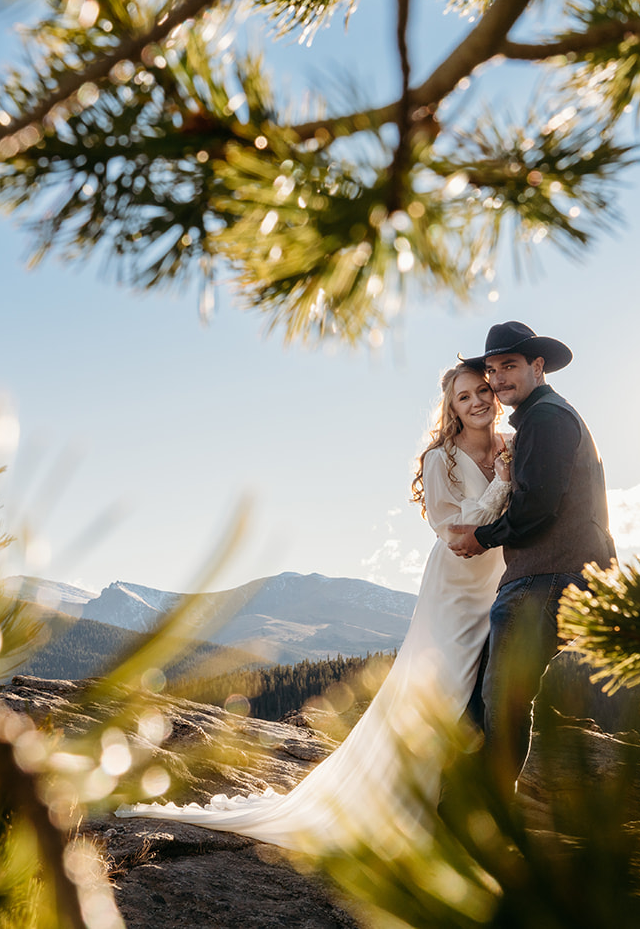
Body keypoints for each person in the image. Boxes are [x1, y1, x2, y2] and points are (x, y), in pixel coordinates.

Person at [115, 364, 512, 854]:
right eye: (463, 396)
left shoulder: (509, 443)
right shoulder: (441, 459)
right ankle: (408, 811)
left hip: (498, 580)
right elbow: (448, 530)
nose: (476, 402)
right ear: (450, 408)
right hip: (454, 590)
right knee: (441, 692)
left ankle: (462, 811)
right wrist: (501, 486)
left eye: (482, 391)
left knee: (484, 696)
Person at [446, 321, 616, 794]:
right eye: (492, 370)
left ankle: (490, 816)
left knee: (503, 700)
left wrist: (483, 536)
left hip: (546, 578)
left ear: (537, 366)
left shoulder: (547, 419)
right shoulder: (548, 417)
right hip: (550, 575)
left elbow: (538, 505)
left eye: (509, 367)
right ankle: (460, 808)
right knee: (485, 695)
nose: (498, 379)